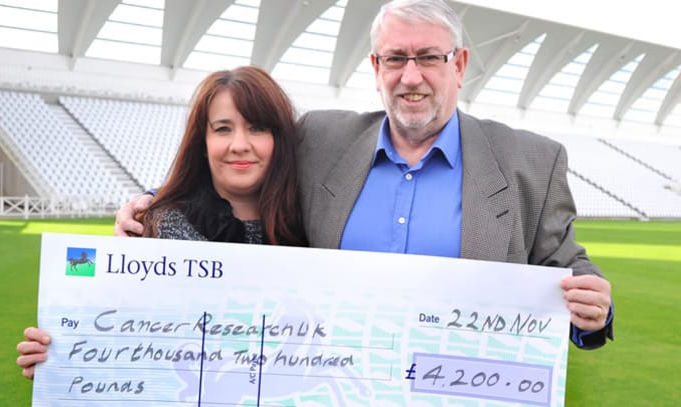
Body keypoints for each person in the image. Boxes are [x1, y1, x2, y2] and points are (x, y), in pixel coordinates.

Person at [116, 0, 613, 350]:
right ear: (376, 67)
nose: (411, 75)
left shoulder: (531, 161)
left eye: (429, 58)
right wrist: (151, 206)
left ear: (459, 65)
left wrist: (595, 311)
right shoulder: (322, 138)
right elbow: (238, 165)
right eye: (396, 58)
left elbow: (565, 265)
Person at [16, 66, 307, 379]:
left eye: (257, 128)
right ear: (202, 141)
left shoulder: (311, 227)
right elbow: (113, 329)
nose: (239, 144)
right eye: (223, 129)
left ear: (280, 137)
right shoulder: (157, 226)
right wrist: (57, 355)